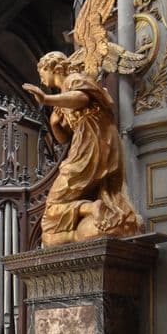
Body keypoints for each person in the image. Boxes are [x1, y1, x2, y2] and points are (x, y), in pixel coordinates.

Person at [23, 51, 143, 246]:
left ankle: (90, 209)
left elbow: (81, 99)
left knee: (54, 202)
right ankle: (90, 209)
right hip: (86, 143)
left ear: (53, 68)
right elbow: (63, 139)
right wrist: (54, 124)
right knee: (53, 214)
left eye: (42, 72)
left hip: (93, 142)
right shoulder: (63, 98)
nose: (41, 78)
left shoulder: (74, 80)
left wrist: (46, 99)